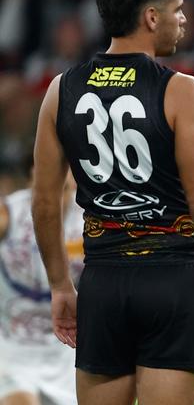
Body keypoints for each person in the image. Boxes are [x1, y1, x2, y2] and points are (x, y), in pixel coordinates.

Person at [31, 0, 194, 405]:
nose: (183, 21)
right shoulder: (181, 89)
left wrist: (61, 285)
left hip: (103, 280)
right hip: (174, 280)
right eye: (177, 10)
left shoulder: (61, 89)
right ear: (151, 17)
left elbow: (43, 202)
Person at [0, 169, 83, 405]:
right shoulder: (9, 214)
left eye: (63, 189)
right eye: (43, 188)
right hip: (12, 345)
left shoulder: (89, 221)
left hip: (67, 349)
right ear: (29, 183)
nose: (53, 198)